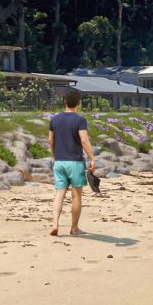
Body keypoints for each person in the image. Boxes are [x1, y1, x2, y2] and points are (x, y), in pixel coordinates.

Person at [47, 88, 96, 237]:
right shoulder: (80, 120)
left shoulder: (54, 119)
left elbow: (50, 140)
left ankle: (55, 223)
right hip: (75, 162)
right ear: (79, 103)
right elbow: (84, 140)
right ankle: (74, 228)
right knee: (76, 196)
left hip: (60, 161)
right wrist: (92, 157)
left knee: (59, 194)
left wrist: (55, 156)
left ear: (65, 102)